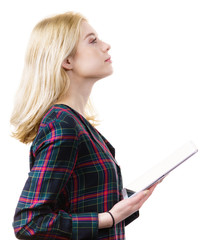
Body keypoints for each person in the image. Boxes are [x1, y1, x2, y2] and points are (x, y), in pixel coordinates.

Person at [10, 12, 157, 240]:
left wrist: (127, 204)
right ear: (66, 60)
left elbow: (80, 206)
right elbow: (29, 223)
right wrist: (109, 217)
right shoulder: (63, 125)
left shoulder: (77, 123)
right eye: (92, 40)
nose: (106, 46)